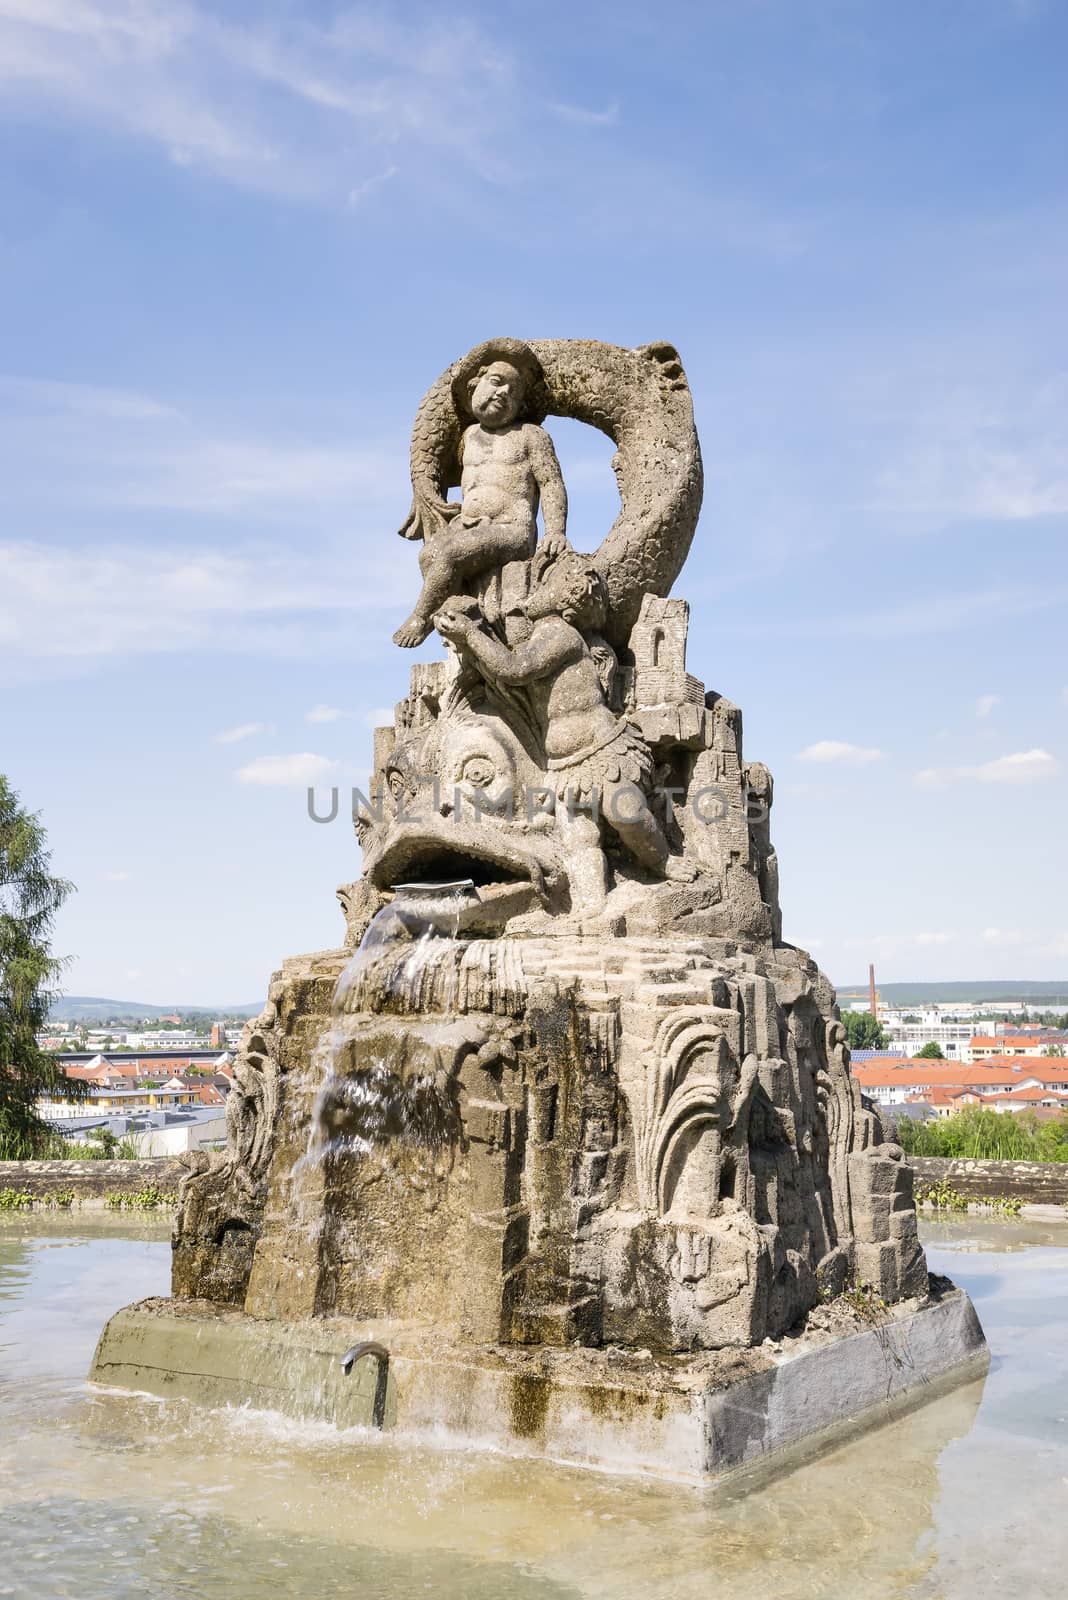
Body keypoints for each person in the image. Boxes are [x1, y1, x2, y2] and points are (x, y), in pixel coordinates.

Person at [435, 552, 691, 891]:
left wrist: (470, 633)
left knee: (626, 813)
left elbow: (514, 669)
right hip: (563, 764)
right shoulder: (539, 637)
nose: (534, 591)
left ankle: (663, 861)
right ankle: (593, 908)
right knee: (579, 838)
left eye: (548, 583)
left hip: (599, 750)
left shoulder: (561, 635)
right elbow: (508, 664)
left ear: (565, 599)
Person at [393, 351, 568, 647]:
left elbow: (551, 483)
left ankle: (420, 618)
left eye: (513, 393)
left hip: (512, 529)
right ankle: (463, 608)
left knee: (453, 553)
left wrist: (555, 531)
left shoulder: (531, 436)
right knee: (429, 555)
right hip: (470, 524)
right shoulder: (468, 436)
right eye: (496, 382)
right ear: (475, 385)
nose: (503, 393)